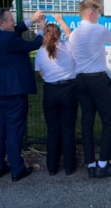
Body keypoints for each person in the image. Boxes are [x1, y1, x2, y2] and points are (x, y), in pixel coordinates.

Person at [0, 9, 45, 182]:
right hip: (13, 91)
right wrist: (40, 29)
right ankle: (17, 169)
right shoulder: (10, 39)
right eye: (11, 20)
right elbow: (32, 45)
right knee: (14, 130)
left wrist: (29, 21)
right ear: (2, 23)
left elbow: (14, 31)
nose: (13, 23)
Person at [69, 0, 111, 178]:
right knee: (108, 120)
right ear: (90, 13)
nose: (99, 16)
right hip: (97, 80)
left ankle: (91, 164)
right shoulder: (98, 30)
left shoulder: (74, 35)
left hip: (81, 80)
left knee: (87, 121)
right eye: (98, 13)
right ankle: (103, 163)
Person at [34, 14, 79, 176]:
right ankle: (69, 166)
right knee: (68, 129)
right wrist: (60, 19)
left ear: (45, 35)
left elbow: (41, 73)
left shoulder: (40, 52)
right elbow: (71, 35)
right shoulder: (68, 47)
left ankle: (52, 166)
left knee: (53, 130)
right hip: (69, 90)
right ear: (59, 35)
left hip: (51, 91)